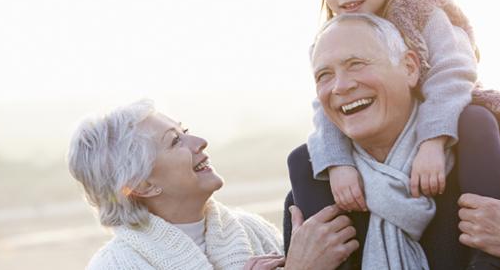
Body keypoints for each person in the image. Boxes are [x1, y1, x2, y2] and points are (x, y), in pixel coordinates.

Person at [284, 13, 500, 269]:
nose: (340, 86)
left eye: (356, 64)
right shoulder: (313, 202)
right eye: (324, 75)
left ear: (410, 67)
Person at [308, 0, 500, 222]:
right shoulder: (335, 36)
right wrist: (337, 163)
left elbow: (453, 71)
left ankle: (490, 231)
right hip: (385, 126)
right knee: (301, 159)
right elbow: (327, 103)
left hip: (443, 108)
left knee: (476, 120)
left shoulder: (422, 10)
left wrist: (432, 141)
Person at [67, 100, 359, 270]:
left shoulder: (251, 229)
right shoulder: (115, 265)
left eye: (186, 131)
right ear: (142, 185)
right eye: (174, 141)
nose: (199, 142)